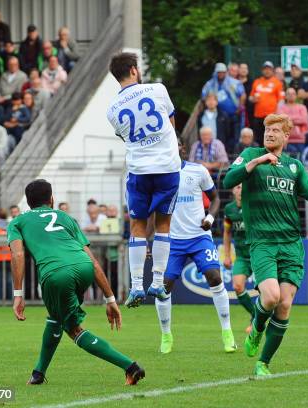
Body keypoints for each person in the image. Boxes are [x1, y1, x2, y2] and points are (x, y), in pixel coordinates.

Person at [222, 113, 308, 376]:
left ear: (286, 136)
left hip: (290, 243)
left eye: (276, 130)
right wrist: (256, 161)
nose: (269, 133)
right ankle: (256, 329)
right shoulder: (250, 155)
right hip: (263, 243)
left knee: (285, 305)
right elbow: (228, 180)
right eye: (267, 129)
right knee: (270, 297)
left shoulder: (294, 166)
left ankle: (263, 364)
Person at [7, 179, 145, 385]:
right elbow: (93, 260)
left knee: (73, 330)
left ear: (28, 202)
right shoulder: (66, 218)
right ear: (51, 199)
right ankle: (38, 373)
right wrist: (110, 298)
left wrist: (18, 295)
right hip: (84, 267)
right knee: (56, 317)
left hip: (56, 274)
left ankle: (131, 367)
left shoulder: (17, 222)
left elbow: (17, 255)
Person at [106, 53, 180, 305]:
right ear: (134, 70)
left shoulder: (112, 110)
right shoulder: (158, 89)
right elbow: (171, 122)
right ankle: (157, 283)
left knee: (137, 226)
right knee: (163, 224)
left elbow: (125, 137)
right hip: (167, 167)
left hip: (139, 170)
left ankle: (137, 285)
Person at [153, 140, 235, 354]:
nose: (175, 147)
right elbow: (153, 209)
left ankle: (227, 333)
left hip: (200, 237)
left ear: (183, 148)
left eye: (179, 144)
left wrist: (209, 217)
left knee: (215, 277)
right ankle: (166, 334)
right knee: (164, 287)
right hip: (173, 241)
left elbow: (216, 199)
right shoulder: (158, 176)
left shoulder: (198, 170)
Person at [223, 183, 255, 333]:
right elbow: (227, 233)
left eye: (243, 186)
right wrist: (227, 256)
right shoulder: (229, 210)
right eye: (237, 187)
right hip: (242, 256)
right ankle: (255, 315)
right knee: (237, 286)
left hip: (258, 254)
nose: (240, 190)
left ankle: (258, 320)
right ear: (232, 190)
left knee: (265, 290)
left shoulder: (255, 206)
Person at [201, 62, 245, 144]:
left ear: (226, 72)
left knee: (236, 136)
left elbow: (242, 95)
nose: (221, 74)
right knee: (223, 136)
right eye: (219, 72)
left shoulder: (234, 82)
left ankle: (235, 154)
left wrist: (240, 108)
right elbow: (203, 96)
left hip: (234, 114)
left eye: (223, 72)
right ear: (215, 72)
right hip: (219, 116)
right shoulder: (210, 84)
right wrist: (209, 106)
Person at [249, 61, 283, 144]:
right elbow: (250, 97)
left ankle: (270, 156)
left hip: (271, 116)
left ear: (272, 71)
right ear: (262, 70)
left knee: (270, 138)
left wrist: (277, 115)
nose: (267, 71)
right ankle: (260, 156)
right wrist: (253, 99)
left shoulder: (277, 82)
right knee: (258, 138)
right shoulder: (257, 82)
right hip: (258, 115)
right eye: (265, 69)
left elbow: (281, 100)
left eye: (269, 69)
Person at [277, 87, 308, 156]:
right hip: (286, 141)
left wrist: (288, 118)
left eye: (293, 94)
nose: (291, 95)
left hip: (300, 140)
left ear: (296, 96)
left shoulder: (302, 107)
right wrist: (297, 118)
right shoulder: (281, 108)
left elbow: (304, 120)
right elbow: (281, 120)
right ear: (285, 96)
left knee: (300, 163)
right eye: (289, 94)